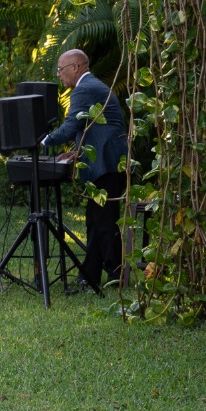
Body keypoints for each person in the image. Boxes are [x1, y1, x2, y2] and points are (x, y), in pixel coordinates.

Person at [44, 48, 127, 289]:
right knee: (96, 219)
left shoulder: (84, 88)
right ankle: (91, 275)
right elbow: (96, 129)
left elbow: (71, 126)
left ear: (76, 67)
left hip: (106, 162)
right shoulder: (91, 86)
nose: (59, 75)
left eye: (61, 69)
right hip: (106, 160)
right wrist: (77, 152)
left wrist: (42, 141)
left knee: (104, 221)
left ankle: (114, 275)